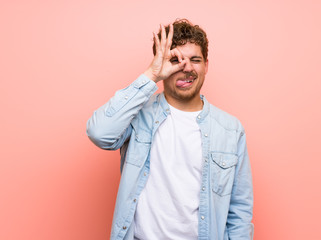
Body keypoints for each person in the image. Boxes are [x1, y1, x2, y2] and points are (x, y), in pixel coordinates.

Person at [87, 19, 254, 240]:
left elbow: (239, 212)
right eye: (175, 60)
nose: (187, 68)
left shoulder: (230, 130)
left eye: (195, 60)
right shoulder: (139, 116)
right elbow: (100, 133)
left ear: (206, 65)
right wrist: (152, 74)